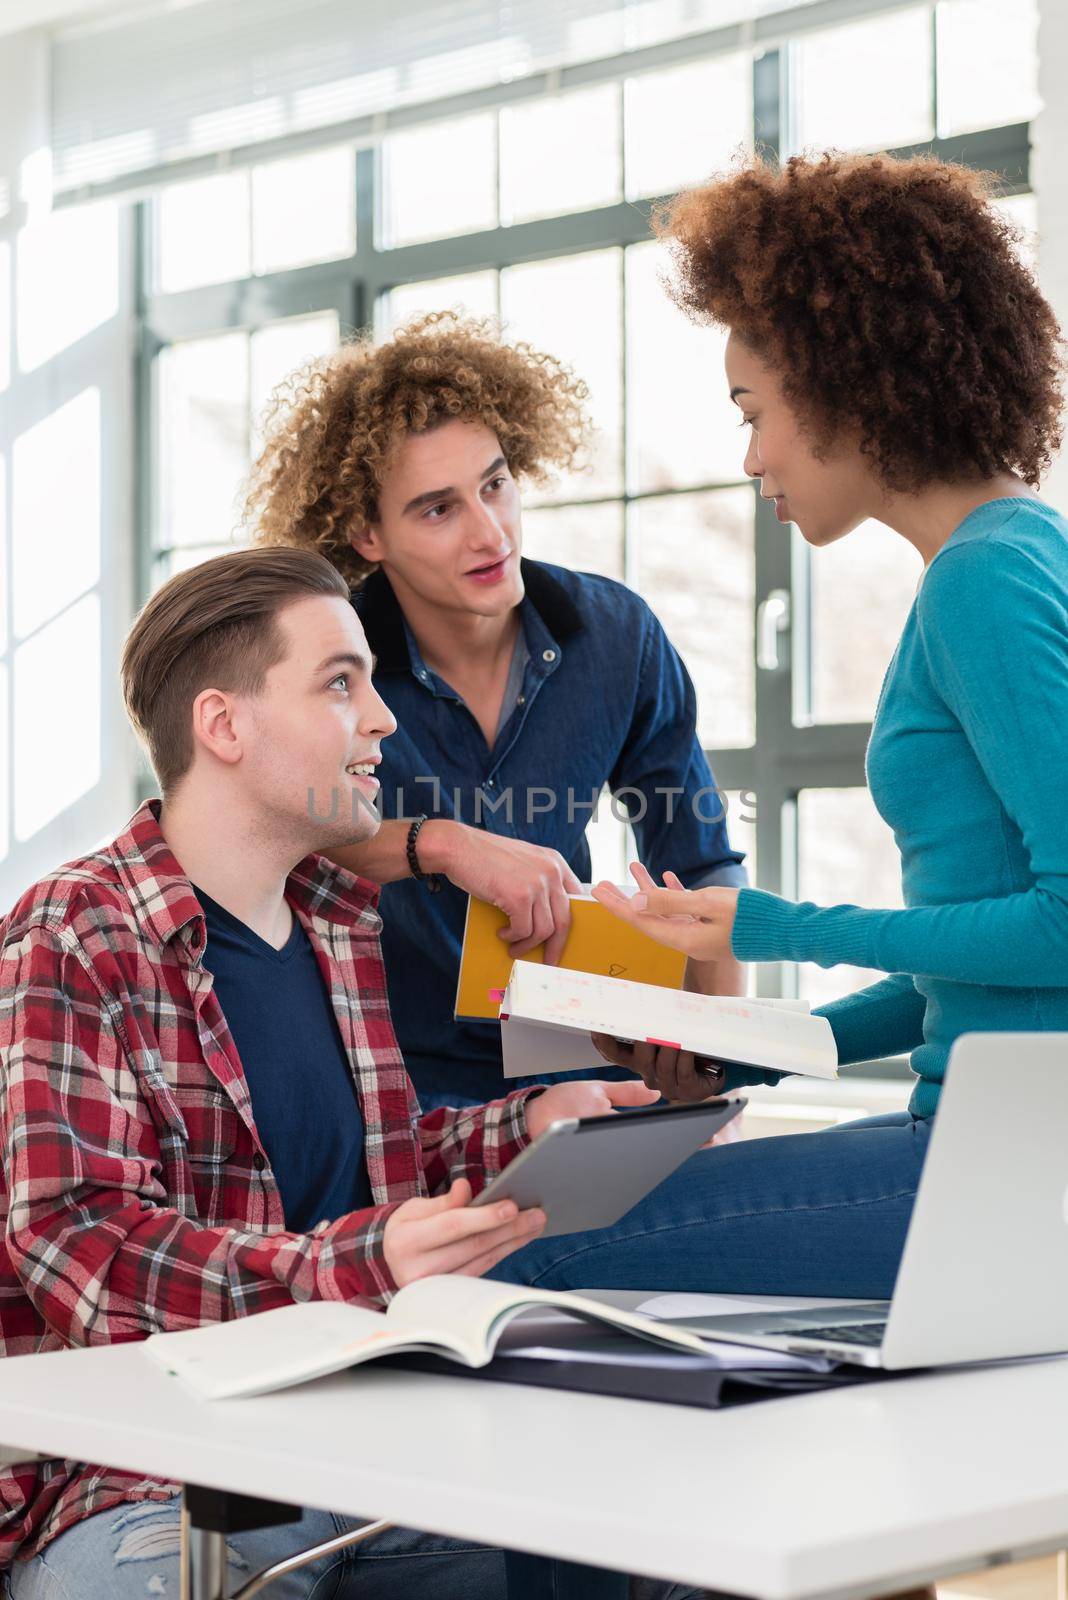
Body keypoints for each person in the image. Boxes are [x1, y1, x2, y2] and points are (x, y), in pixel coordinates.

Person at [0, 546, 692, 1600]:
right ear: (225, 726)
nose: (382, 718)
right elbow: (74, 1239)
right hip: (145, 1477)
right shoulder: (76, 927)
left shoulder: (335, 920)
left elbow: (377, 1162)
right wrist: (360, 1264)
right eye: (339, 682)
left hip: (366, 1450)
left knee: (664, 1553)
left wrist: (534, 1124)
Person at [487, 149, 1068, 1302]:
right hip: (993, 1147)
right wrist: (752, 1044)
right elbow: (985, 985)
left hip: (1002, 1169)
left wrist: (771, 922)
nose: (751, 457)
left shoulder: (984, 584)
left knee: (526, 1245)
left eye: (756, 412)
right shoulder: (1014, 555)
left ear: (849, 383)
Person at [246, 313, 747, 1111]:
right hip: (391, 1086)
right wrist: (440, 845)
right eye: (438, 509)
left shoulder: (618, 636)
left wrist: (717, 1074)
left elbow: (702, 866)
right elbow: (272, 845)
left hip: (586, 1060)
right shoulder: (323, 659)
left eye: (495, 483)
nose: (491, 533)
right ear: (366, 532)